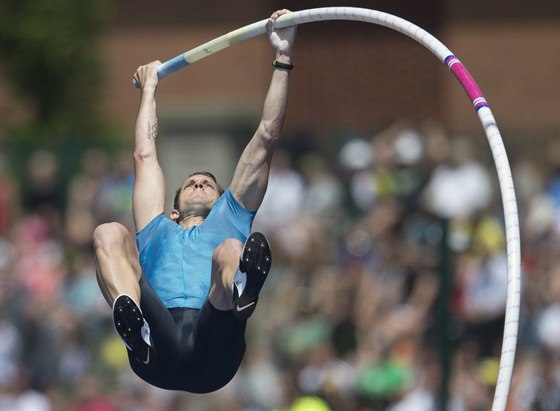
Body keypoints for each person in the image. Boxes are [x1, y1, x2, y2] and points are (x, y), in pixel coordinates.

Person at [92, 9, 296, 393]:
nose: (200, 183)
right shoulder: (156, 229)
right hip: (157, 346)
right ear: (173, 208)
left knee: (232, 249)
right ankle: (134, 326)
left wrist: (283, 56)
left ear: (222, 199)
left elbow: (267, 135)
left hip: (214, 344)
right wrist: (150, 88)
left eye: (208, 183)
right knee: (108, 233)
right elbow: (145, 155)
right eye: (192, 182)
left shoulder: (230, 219)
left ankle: (241, 295)